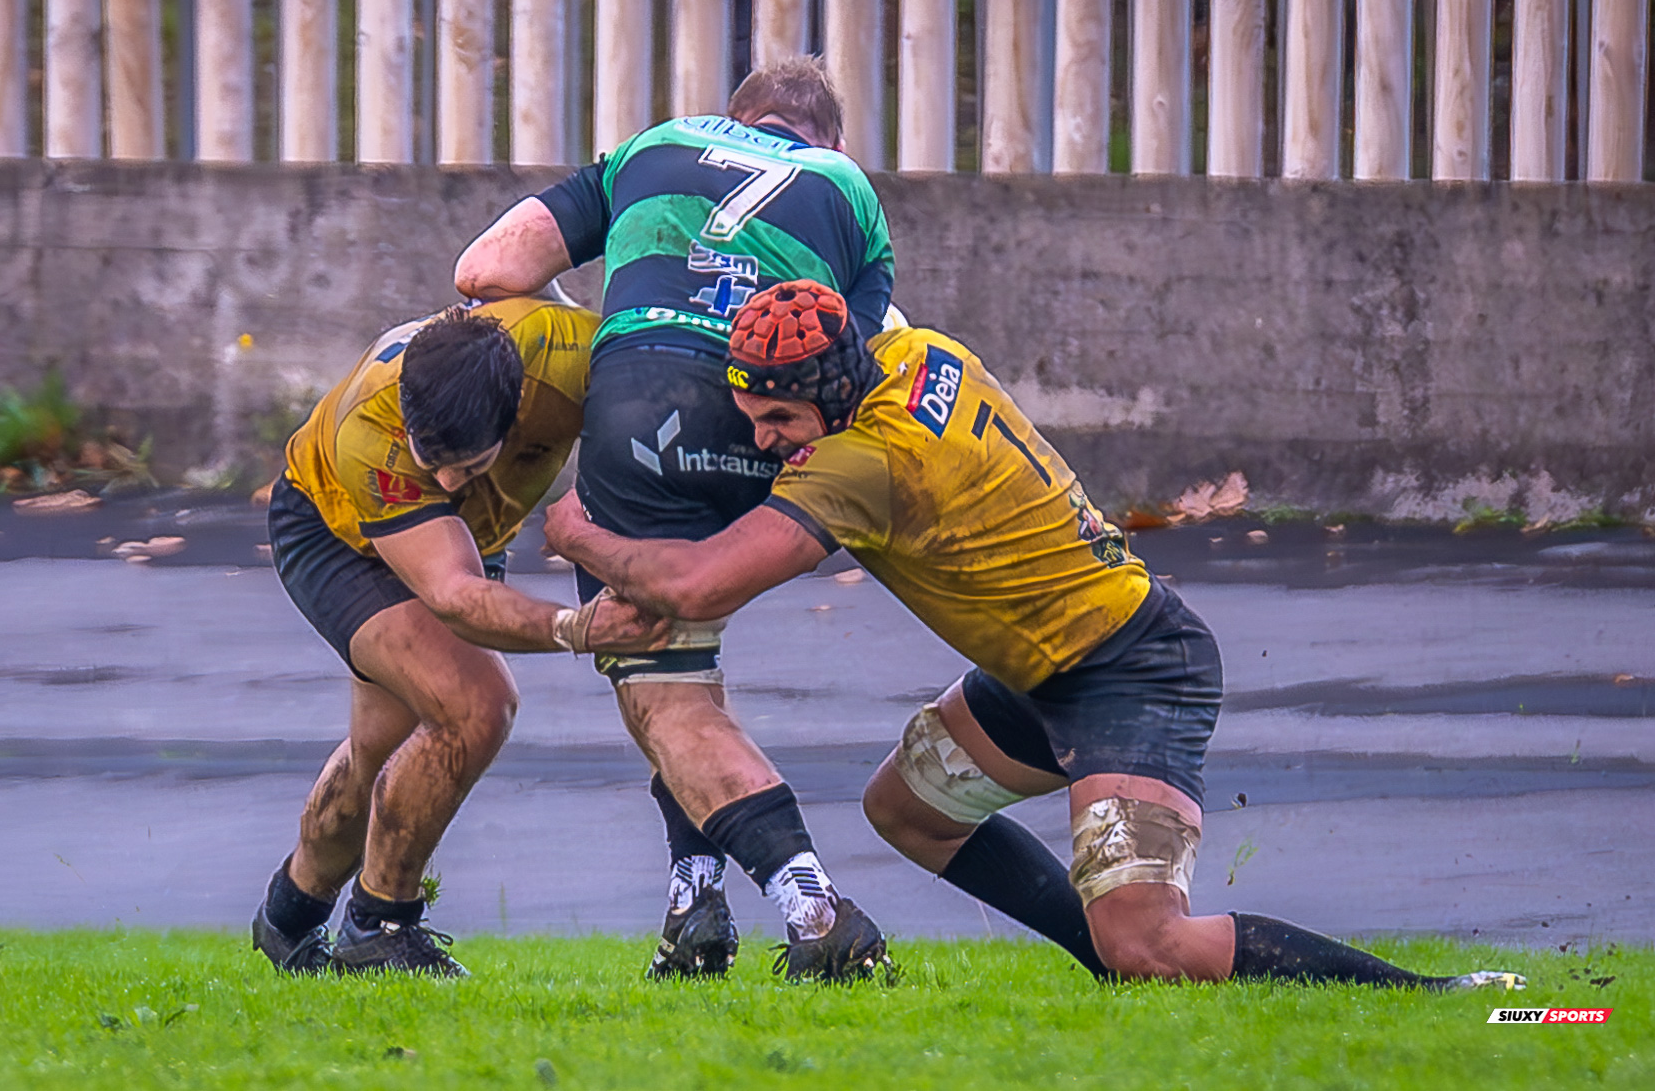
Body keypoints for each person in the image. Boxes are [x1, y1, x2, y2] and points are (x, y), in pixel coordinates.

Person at [542, 281, 1527, 991]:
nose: (765, 441)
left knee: (1151, 944)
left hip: (1135, 670)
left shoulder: (860, 465)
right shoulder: (922, 351)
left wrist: (576, 527)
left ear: (831, 393)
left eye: (778, 419)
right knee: (908, 810)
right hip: (1040, 669)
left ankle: (1439, 994)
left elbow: (695, 582)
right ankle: (1100, 961)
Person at [454, 58, 894, 981]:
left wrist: (612, 328)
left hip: (640, 403)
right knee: (684, 669)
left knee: (660, 687)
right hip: (772, 419)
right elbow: (848, 356)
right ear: (833, 140)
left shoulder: (655, 145)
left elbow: (485, 270)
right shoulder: (848, 187)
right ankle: (694, 899)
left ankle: (812, 911)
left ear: (732, 118)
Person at [253, 299, 668, 977]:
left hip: (468, 540)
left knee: (385, 756)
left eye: (469, 464)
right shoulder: (374, 428)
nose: (446, 481)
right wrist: (574, 627)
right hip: (338, 533)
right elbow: (454, 596)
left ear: (518, 411)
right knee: (474, 705)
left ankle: (289, 915)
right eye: (432, 460)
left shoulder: (569, 358)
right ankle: (381, 927)